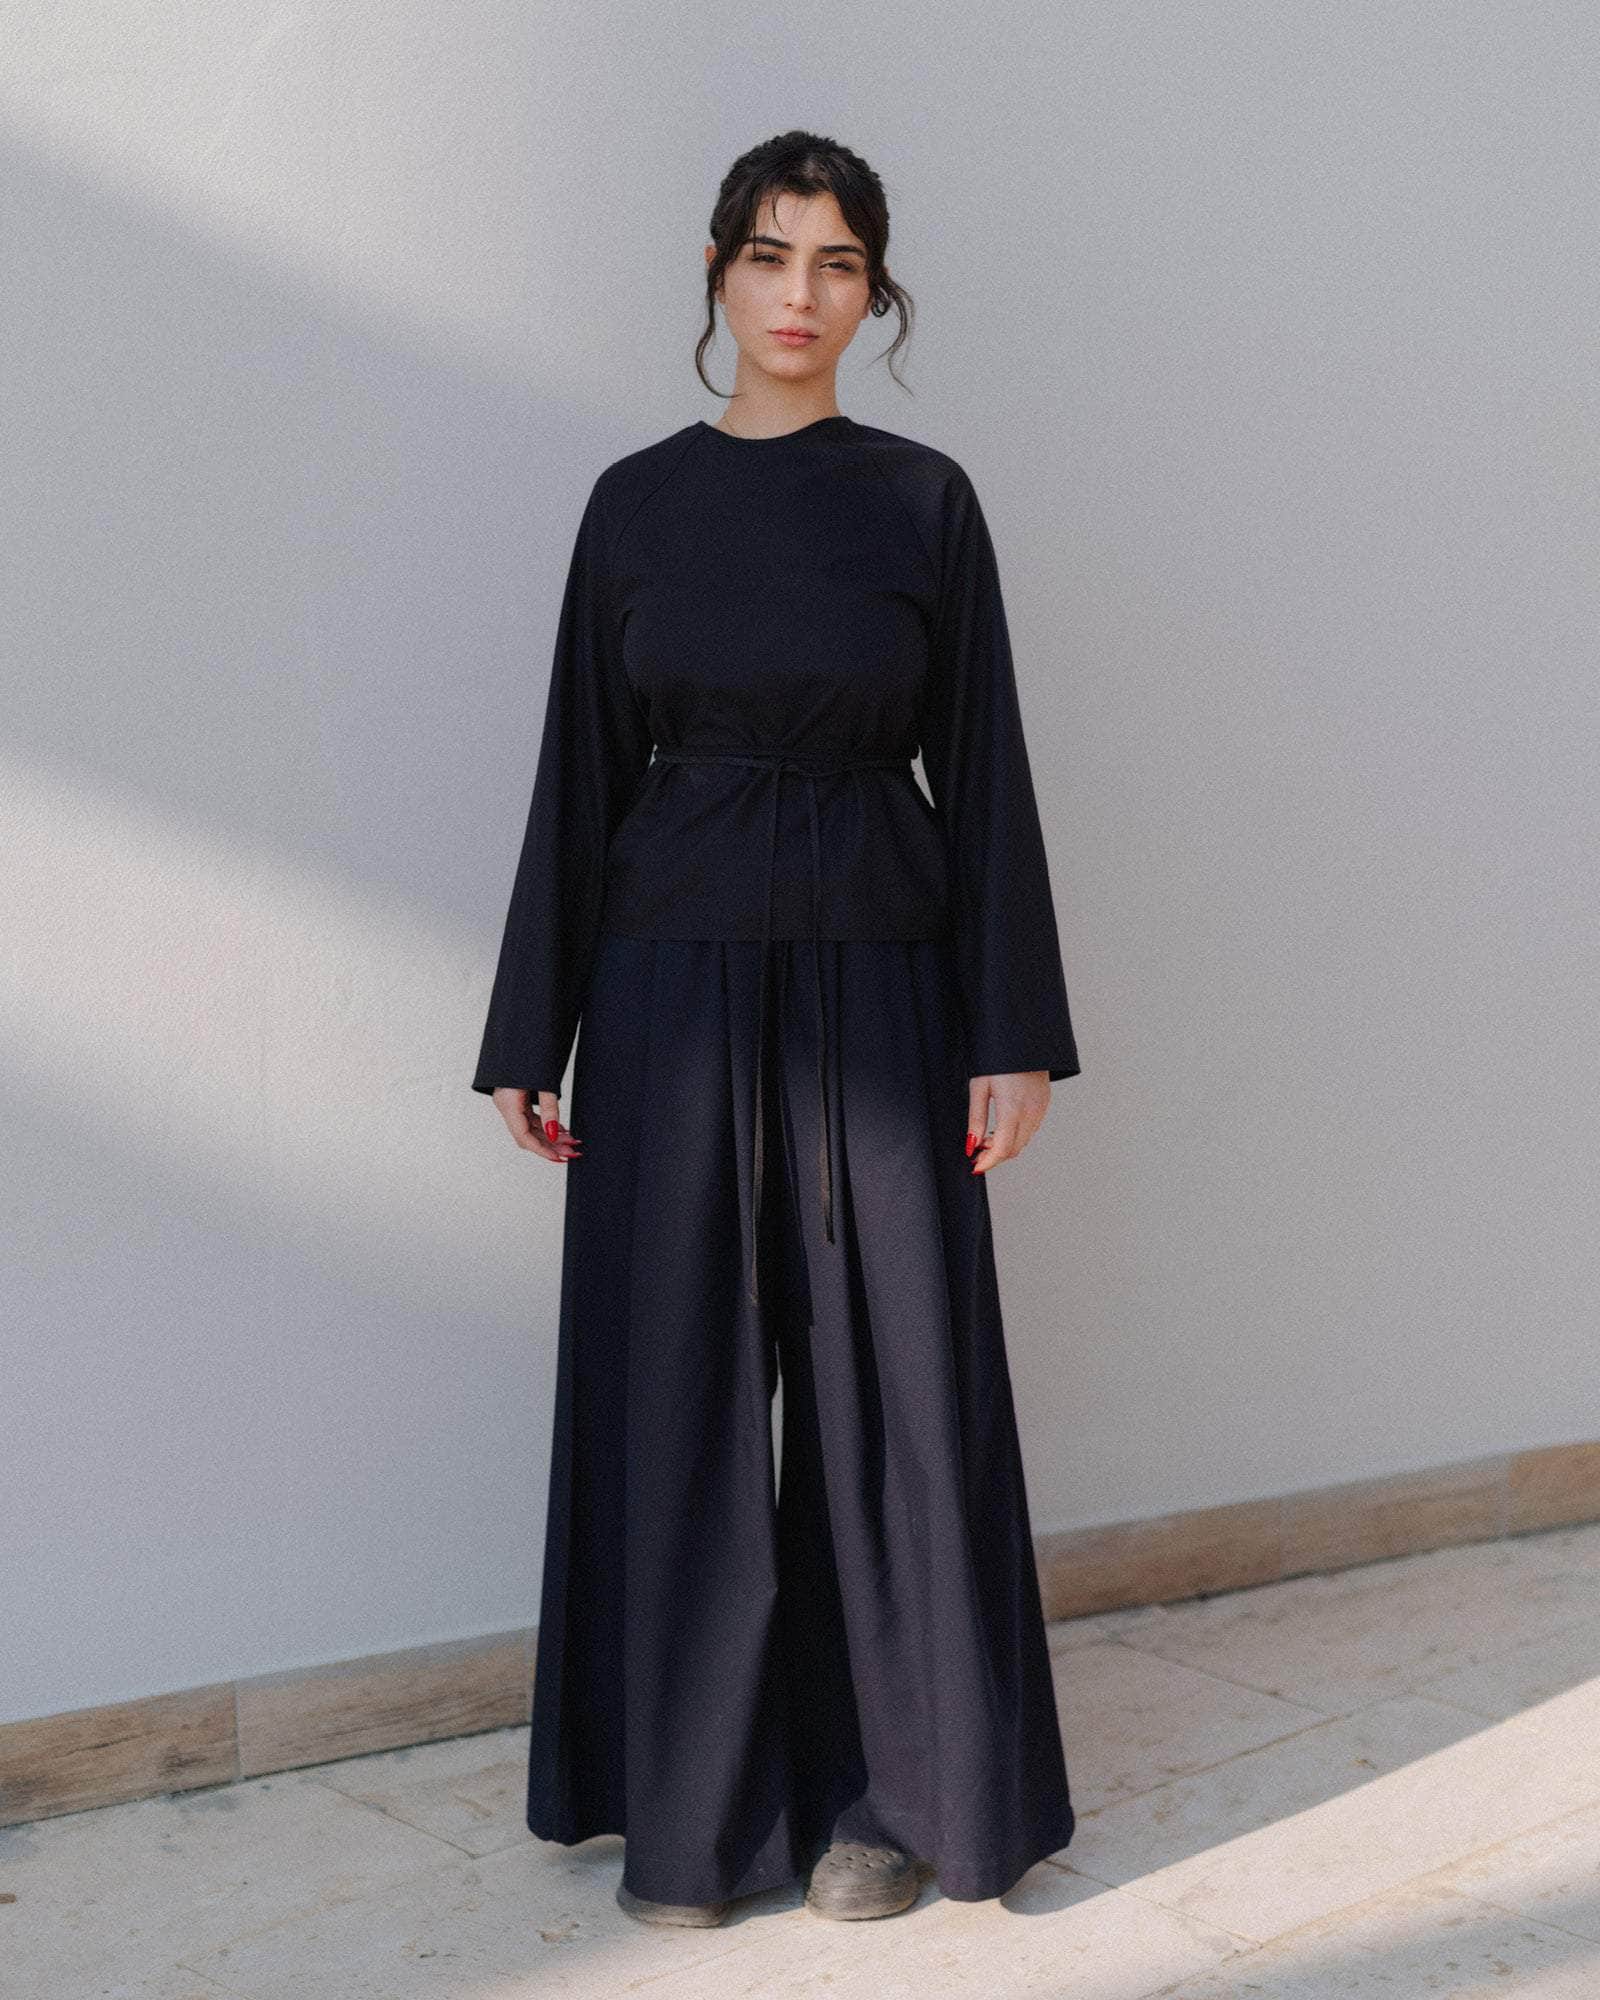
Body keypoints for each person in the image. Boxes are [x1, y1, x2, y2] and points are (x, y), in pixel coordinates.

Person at [471, 129, 1082, 1927]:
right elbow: (582, 770)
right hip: (667, 982)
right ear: (717, 274)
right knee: (674, 1386)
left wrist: (1013, 1029)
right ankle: (694, 1811)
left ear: (874, 290)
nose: (799, 294)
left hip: (881, 976)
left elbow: (986, 770)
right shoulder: (634, 505)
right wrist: (529, 1029)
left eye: (836, 262)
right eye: (767, 255)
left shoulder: (922, 501)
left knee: (900, 1393)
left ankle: (888, 1802)